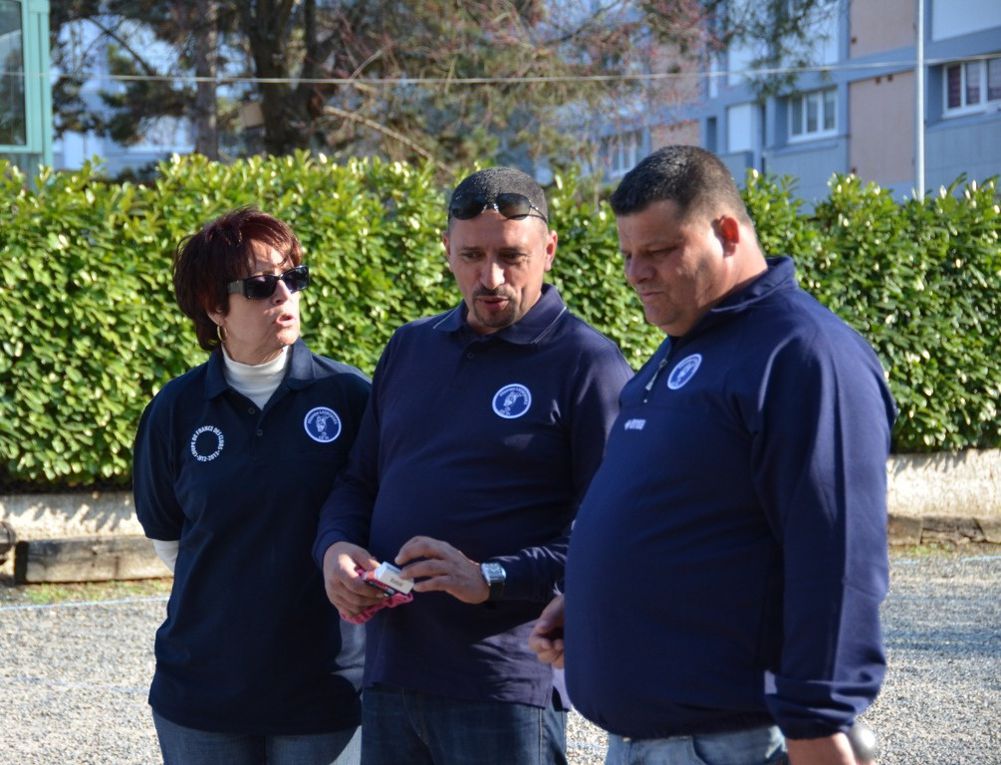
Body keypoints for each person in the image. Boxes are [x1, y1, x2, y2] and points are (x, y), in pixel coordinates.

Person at [529, 146, 896, 765]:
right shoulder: (678, 353)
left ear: (726, 233)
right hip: (651, 741)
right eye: (626, 255)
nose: (635, 273)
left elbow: (835, 553)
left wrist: (816, 722)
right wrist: (591, 605)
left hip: (732, 744)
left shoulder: (803, 354)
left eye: (659, 251)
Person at [313, 167, 634, 765]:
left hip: (503, 686)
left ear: (549, 250)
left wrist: (489, 576)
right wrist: (334, 548)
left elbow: (614, 541)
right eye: (471, 255)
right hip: (390, 675)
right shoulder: (410, 347)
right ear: (446, 251)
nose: (490, 277)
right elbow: (357, 481)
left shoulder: (588, 365)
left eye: (511, 256)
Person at [133, 208, 370, 764]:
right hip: (203, 695)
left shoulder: (352, 397)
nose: (284, 296)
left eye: (295, 278)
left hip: (325, 693)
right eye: (262, 286)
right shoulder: (175, 410)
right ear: (216, 307)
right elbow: (169, 540)